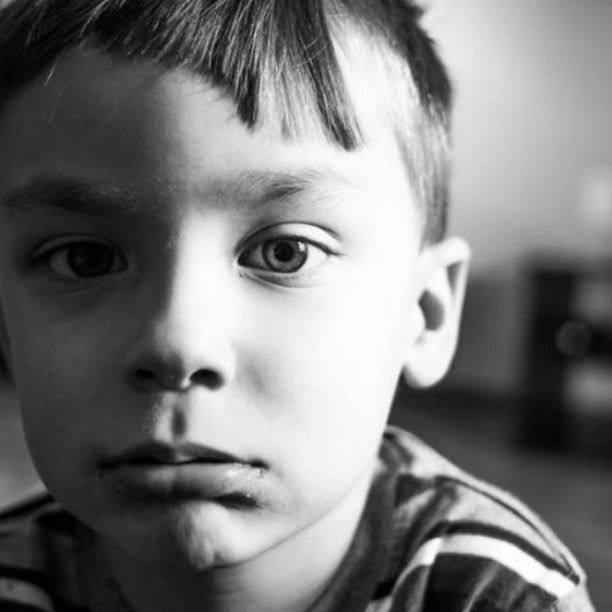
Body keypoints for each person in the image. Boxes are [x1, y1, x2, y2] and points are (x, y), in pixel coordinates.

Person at [0, 1, 595, 610]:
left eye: (286, 252)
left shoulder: (494, 593)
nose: (178, 343)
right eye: (83, 259)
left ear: (425, 312)